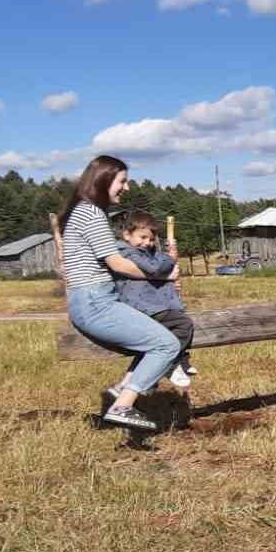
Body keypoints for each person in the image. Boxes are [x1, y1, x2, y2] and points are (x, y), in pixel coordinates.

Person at [60, 155, 182, 431]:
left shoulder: (82, 211)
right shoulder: (90, 212)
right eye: (122, 181)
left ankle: (122, 388)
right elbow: (118, 264)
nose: (126, 188)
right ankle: (123, 405)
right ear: (103, 180)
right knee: (167, 344)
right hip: (95, 302)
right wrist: (163, 274)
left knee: (159, 333)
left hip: (92, 299)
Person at [111, 210, 196, 391]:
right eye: (142, 237)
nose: (147, 243)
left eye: (150, 239)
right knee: (183, 324)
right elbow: (154, 268)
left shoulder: (146, 251)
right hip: (140, 306)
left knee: (170, 331)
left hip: (151, 304)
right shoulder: (126, 252)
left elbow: (157, 266)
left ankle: (175, 359)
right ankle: (171, 362)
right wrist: (170, 259)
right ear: (127, 235)